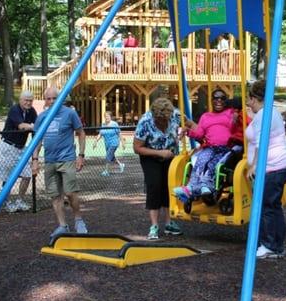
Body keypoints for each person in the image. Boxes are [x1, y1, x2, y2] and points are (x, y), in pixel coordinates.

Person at [31, 87, 88, 240]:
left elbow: (81, 133)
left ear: (60, 98)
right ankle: (63, 225)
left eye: (54, 98)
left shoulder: (69, 113)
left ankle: (78, 220)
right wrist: (35, 160)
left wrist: (81, 155)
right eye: (48, 98)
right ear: (45, 100)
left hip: (67, 158)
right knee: (55, 196)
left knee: (70, 192)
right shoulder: (42, 117)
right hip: (50, 161)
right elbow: (36, 141)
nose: (51, 101)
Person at [245, 79, 286, 259]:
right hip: (280, 164)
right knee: (273, 206)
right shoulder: (271, 112)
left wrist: (254, 165)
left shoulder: (263, 116)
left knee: (267, 208)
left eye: (249, 100)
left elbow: (260, 142)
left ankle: (270, 245)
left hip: (272, 167)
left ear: (254, 98)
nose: (248, 104)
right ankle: (276, 244)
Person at [133, 97, 182, 240]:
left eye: (167, 120)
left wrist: (187, 129)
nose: (164, 122)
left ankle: (169, 222)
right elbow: (137, 148)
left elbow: (192, 125)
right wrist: (159, 153)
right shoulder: (145, 122)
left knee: (169, 187)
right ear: (154, 116)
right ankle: (154, 225)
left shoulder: (175, 115)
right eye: (161, 120)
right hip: (150, 157)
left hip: (170, 155)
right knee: (154, 186)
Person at [173, 89, 236, 201]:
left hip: (226, 148)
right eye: (216, 98)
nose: (219, 101)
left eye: (222, 98)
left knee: (214, 163)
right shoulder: (206, 116)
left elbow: (241, 114)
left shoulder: (231, 113)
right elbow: (199, 134)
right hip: (211, 146)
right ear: (211, 100)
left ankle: (205, 185)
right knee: (201, 159)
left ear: (226, 101)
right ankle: (191, 187)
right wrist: (188, 131)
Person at [0, 90, 37, 213]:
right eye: (26, 100)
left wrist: (36, 128)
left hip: (20, 148)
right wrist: (35, 126)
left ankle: (19, 201)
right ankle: (7, 202)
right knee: (7, 177)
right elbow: (21, 126)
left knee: (27, 174)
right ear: (20, 100)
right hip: (8, 146)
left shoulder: (31, 111)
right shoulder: (15, 110)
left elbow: (37, 125)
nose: (28, 103)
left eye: (30, 100)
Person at [93, 111, 125, 176]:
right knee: (112, 157)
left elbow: (119, 133)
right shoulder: (103, 124)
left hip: (114, 143)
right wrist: (95, 141)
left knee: (108, 156)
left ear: (110, 117)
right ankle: (121, 165)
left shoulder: (114, 124)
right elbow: (100, 134)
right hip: (107, 144)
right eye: (105, 116)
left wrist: (123, 143)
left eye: (108, 116)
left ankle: (106, 171)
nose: (106, 117)